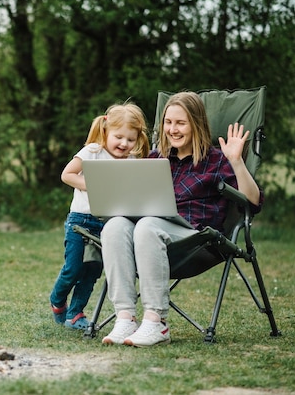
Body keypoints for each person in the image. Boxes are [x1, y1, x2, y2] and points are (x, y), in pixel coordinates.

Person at [100, 91, 263, 346]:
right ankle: (125, 319)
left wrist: (236, 161)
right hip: (151, 234)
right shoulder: (154, 158)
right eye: (168, 122)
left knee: (147, 226)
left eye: (180, 123)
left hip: (195, 239)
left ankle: (156, 323)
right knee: (115, 226)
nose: (172, 129)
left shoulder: (216, 160)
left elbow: (253, 202)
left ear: (196, 124)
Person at [50, 102, 151, 330]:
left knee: (92, 271)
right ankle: (57, 300)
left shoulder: (132, 162)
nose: (124, 144)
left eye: (131, 140)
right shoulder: (92, 152)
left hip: (107, 225)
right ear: (106, 130)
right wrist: (93, 186)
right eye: (119, 137)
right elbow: (67, 175)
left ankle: (75, 314)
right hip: (80, 221)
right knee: (73, 269)